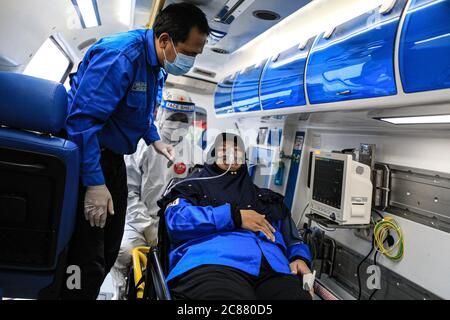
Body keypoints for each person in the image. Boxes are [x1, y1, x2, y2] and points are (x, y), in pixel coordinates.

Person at [61, 3, 210, 299]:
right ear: (165, 40)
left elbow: (140, 112)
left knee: (109, 247)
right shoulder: (121, 57)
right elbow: (82, 122)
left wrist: (154, 138)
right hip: (89, 157)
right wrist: (93, 182)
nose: (191, 60)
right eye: (190, 52)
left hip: (111, 159)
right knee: (85, 254)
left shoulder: (156, 66)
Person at [158, 133, 314, 300]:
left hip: (273, 269)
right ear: (212, 155)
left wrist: (299, 257)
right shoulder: (191, 188)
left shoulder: (265, 198)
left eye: (237, 151)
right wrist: (234, 217)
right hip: (213, 264)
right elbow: (177, 222)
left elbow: (293, 238)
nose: (231, 155)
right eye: (223, 150)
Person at [110, 88, 203, 299]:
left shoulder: (197, 152)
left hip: (177, 223)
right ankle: (123, 292)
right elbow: (129, 192)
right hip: (137, 220)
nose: (178, 122)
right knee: (125, 253)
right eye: (173, 117)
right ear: (160, 114)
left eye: (183, 118)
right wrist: (148, 227)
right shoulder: (141, 146)